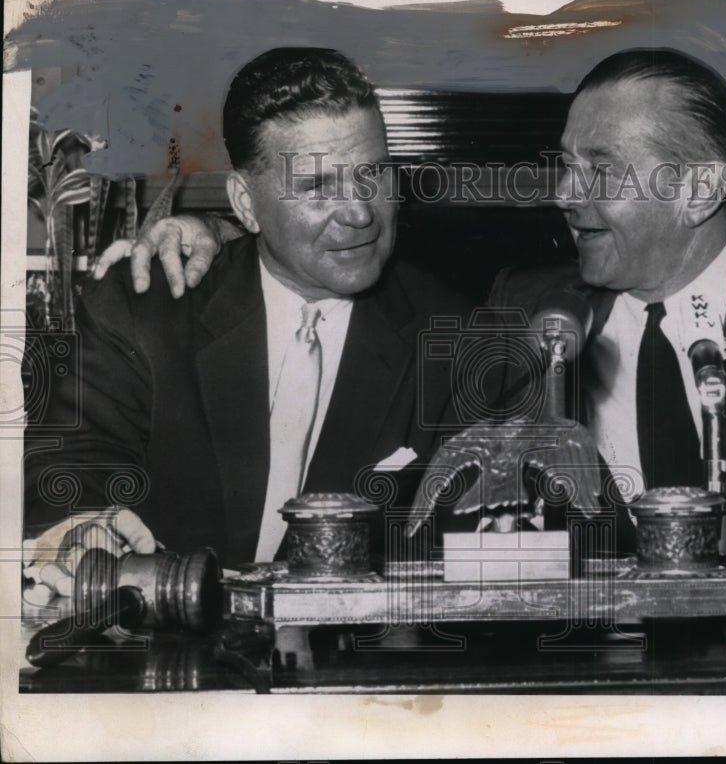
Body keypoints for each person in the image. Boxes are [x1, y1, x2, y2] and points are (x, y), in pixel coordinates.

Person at [92, 48, 726, 559]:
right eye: (563, 164)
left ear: (698, 188)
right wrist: (210, 233)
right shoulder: (512, 311)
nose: (564, 196)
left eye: (600, 172)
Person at [24, 47, 469, 591]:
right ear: (244, 203)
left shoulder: (454, 334)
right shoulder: (145, 305)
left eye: (373, 174)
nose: (359, 212)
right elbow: (69, 460)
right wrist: (88, 527)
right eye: (317, 187)